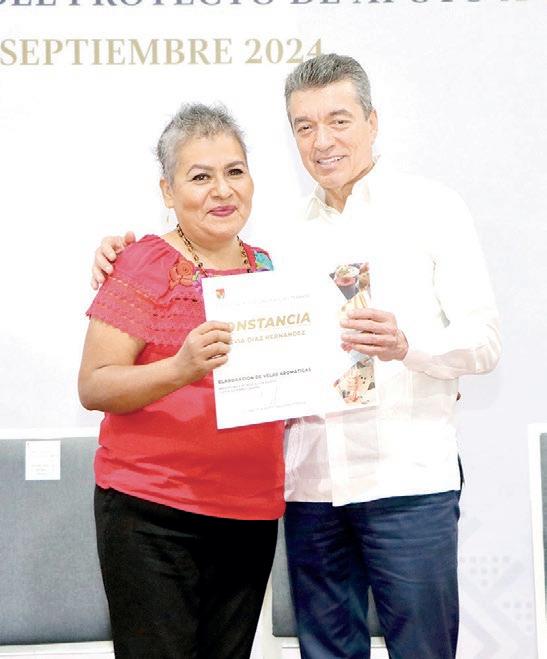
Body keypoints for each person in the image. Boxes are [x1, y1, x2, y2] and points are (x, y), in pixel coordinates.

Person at [91, 55, 501, 659]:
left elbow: (484, 341)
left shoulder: (433, 208)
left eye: (338, 120)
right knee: (324, 651)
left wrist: (408, 345)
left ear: (372, 122)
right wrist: (119, 250)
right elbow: (194, 251)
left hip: (407, 480)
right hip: (311, 488)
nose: (322, 140)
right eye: (304, 126)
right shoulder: (274, 237)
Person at [79, 103, 285, 659]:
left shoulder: (268, 268)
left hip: (249, 512)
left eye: (235, 171)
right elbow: (94, 385)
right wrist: (180, 368)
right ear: (168, 191)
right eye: (200, 177)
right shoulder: (141, 263)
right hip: (152, 513)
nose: (222, 190)